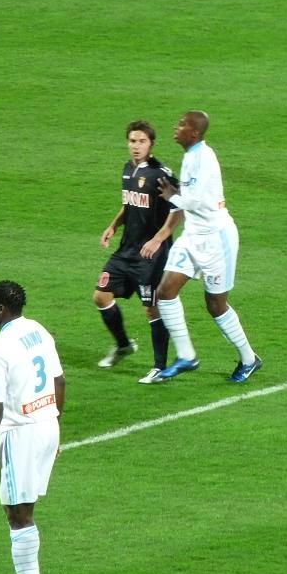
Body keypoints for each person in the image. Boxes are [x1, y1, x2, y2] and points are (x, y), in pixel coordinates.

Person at [140, 110, 262, 383]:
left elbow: (193, 202)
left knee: (216, 304)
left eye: (182, 124)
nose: (176, 126)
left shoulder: (204, 158)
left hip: (217, 239)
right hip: (193, 236)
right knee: (165, 291)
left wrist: (172, 195)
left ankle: (249, 359)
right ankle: (186, 356)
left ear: (194, 133)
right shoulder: (190, 156)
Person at [0, 280, 66, 574]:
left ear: (1, 309)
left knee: (18, 517)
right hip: (47, 426)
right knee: (25, 510)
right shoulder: (38, 330)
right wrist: (57, 427)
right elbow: (59, 380)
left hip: (21, 434)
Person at [94, 120, 180, 385]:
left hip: (151, 255)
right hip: (127, 250)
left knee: (152, 308)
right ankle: (123, 345)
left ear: (151, 144)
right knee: (101, 295)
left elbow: (179, 210)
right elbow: (129, 204)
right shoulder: (127, 169)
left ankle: (159, 368)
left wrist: (157, 240)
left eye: (142, 141)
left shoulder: (160, 174)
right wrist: (114, 225)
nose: (136, 146)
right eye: (132, 141)